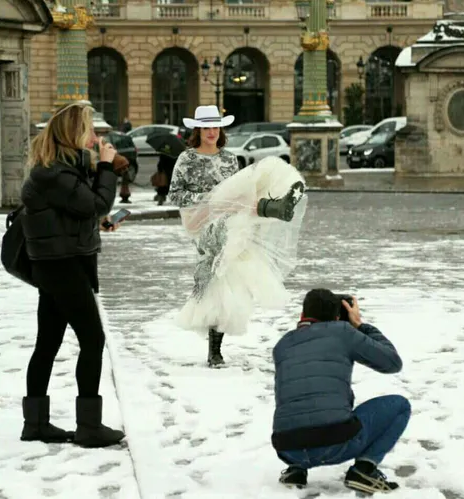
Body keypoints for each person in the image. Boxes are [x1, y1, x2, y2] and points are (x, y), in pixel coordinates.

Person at [20, 101, 125, 448]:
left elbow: (78, 212)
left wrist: (98, 222)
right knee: (92, 340)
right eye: (90, 129)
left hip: (58, 263)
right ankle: (89, 427)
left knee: (47, 343)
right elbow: (96, 203)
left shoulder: (60, 170)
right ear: (73, 132)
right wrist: (107, 167)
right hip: (62, 266)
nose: (95, 137)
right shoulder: (55, 173)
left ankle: (35, 424)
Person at [168, 105, 307, 368]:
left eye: (215, 126)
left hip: (231, 218)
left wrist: (230, 203)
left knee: (224, 280)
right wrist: (208, 201)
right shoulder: (187, 159)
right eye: (206, 127)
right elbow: (175, 194)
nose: (211, 132)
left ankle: (276, 199)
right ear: (198, 130)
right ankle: (270, 207)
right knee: (229, 251)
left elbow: (239, 194)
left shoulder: (230, 159)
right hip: (201, 220)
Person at [272, 289, 411, 495]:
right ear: (338, 317)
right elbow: (392, 362)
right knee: (400, 406)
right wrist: (360, 325)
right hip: (335, 443)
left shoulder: (282, 345)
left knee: (302, 396)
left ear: (302, 315)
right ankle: (364, 470)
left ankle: (296, 471)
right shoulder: (343, 332)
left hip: (287, 448)